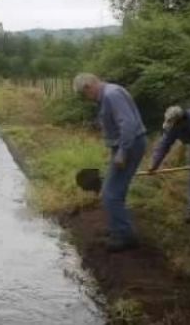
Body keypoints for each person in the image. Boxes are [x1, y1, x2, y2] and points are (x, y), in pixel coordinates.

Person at [74, 73, 147, 252]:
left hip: (130, 145)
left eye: (84, 95)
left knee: (109, 193)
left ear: (88, 87)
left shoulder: (111, 94)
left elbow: (128, 124)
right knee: (116, 190)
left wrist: (122, 152)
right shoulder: (110, 94)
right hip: (126, 144)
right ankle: (118, 228)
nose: (87, 99)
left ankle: (126, 236)